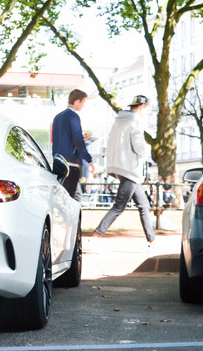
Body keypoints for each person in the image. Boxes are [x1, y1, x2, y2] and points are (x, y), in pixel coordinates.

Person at [93, 95, 156, 246]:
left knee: (143, 205)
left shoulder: (119, 121)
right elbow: (139, 147)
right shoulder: (136, 122)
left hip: (121, 167)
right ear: (142, 107)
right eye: (146, 109)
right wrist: (147, 149)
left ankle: (151, 239)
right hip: (131, 170)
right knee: (119, 206)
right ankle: (96, 234)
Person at [51, 89, 94, 201]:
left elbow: (60, 138)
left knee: (71, 196)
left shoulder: (57, 117)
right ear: (77, 101)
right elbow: (77, 141)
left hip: (58, 161)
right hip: (71, 164)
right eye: (83, 102)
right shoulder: (74, 116)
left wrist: (79, 136)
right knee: (70, 199)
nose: (83, 105)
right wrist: (89, 160)